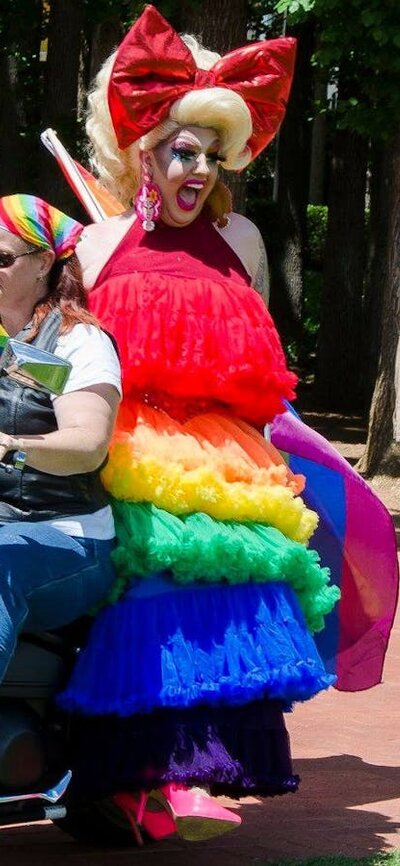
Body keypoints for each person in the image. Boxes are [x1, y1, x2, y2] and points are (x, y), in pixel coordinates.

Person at [54, 4, 374, 844]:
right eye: (179, 150)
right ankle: (129, 779)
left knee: (240, 591)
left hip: (229, 453)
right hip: (126, 449)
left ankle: (192, 767)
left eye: (210, 153)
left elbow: (261, 363)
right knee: (151, 592)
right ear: (142, 153)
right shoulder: (96, 245)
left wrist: (273, 456)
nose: (197, 168)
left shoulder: (242, 237)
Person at [0, 193, 121, 683]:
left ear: (44, 262)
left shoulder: (76, 340)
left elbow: (88, 445)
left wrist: (11, 446)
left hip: (69, 538)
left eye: (2, 259)